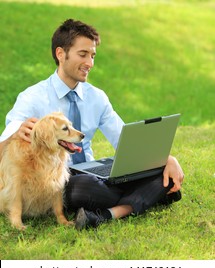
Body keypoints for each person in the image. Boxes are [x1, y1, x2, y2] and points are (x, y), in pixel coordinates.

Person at [0, 19, 184, 230]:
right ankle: (150, 196)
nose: (90, 63)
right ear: (61, 54)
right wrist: (13, 136)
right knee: (79, 188)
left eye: (93, 55)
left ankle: (108, 214)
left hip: (94, 172)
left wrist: (168, 159)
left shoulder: (97, 97)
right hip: (61, 179)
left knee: (158, 173)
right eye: (83, 54)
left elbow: (125, 141)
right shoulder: (32, 98)